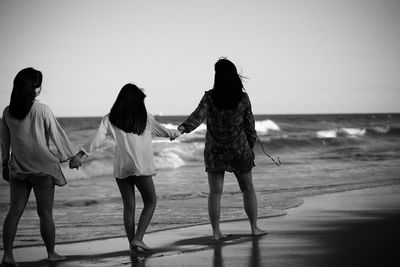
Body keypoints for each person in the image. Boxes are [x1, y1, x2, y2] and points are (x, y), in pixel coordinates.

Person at [69, 83, 181, 256]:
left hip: (121, 167)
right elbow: (165, 132)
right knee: (151, 202)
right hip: (140, 167)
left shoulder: (110, 117)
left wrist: (80, 155)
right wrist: (179, 131)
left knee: (129, 207)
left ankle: (133, 246)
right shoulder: (145, 117)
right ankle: (139, 238)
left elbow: (97, 139)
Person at [178, 58, 266, 240]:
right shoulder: (243, 98)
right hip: (240, 150)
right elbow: (250, 125)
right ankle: (254, 228)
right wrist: (250, 147)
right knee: (248, 189)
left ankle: (216, 232)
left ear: (217, 76)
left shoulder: (210, 97)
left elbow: (197, 116)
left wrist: (183, 128)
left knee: (215, 193)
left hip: (215, 151)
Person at [1, 68, 77, 266]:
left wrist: (4, 164)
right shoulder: (42, 110)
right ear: (34, 88)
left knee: (14, 212)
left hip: (18, 169)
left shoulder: (7, 112)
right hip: (42, 169)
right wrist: (71, 156)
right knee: (45, 214)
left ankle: (7, 255)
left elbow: (5, 142)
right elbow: (57, 135)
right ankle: (51, 253)